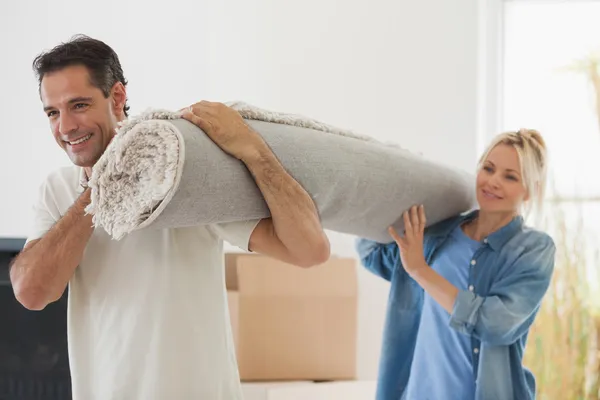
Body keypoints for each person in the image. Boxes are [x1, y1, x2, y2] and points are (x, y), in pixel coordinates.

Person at [9, 34, 330, 400]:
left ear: (116, 98)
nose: (65, 127)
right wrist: (101, 185)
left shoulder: (184, 175)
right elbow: (31, 292)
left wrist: (253, 150)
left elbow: (309, 250)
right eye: (52, 112)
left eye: (78, 105)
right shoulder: (57, 191)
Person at [356, 129, 555, 400]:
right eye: (488, 168)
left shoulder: (532, 249)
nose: (493, 181)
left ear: (530, 191)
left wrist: (421, 272)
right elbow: (371, 253)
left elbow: (495, 323)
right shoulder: (438, 234)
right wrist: (387, 174)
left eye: (510, 176)